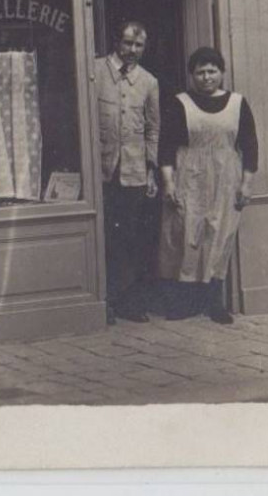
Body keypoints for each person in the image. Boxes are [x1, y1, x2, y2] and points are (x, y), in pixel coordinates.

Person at [158, 46, 258, 324]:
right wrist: (167, 182)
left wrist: (247, 184)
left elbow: (250, 146)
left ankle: (213, 303)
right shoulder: (180, 103)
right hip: (189, 176)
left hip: (226, 179)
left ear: (222, 73)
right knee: (186, 236)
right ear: (192, 76)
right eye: (200, 72)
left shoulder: (238, 103)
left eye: (212, 71)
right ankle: (184, 303)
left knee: (219, 236)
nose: (206, 77)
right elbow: (165, 146)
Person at [95, 20, 160, 324]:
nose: (132, 50)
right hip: (102, 172)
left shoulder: (148, 82)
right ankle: (103, 302)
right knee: (104, 236)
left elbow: (152, 129)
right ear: (116, 43)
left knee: (131, 239)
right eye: (127, 43)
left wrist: (150, 171)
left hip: (133, 173)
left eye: (139, 46)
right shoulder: (95, 71)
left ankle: (127, 301)